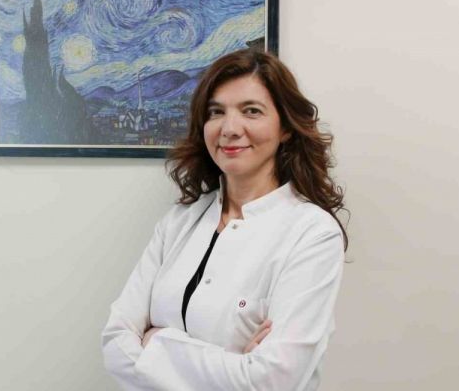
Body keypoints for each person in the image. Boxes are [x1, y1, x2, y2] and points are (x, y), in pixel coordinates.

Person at [101, 48, 348, 391]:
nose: (230, 129)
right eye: (216, 112)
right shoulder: (179, 222)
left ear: (286, 128)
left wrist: (155, 342)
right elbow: (115, 343)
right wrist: (235, 364)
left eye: (251, 111)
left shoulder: (313, 233)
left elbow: (273, 381)